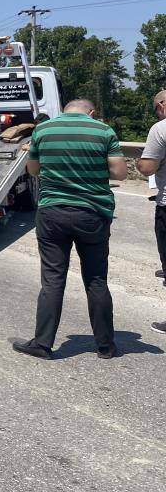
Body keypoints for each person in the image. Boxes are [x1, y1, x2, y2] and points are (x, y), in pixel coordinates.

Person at [12, 99, 128, 360]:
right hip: (93, 214)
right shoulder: (103, 131)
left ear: (64, 111)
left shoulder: (42, 130)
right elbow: (120, 173)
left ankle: (42, 344)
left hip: (53, 212)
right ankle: (106, 346)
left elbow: (33, 170)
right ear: (91, 112)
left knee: (53, 278)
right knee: (96, 279)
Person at [137, 89, 166, 332]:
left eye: (156, 109)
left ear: (163, 104)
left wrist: (141, 162)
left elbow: (147, 168)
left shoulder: (161, 128)